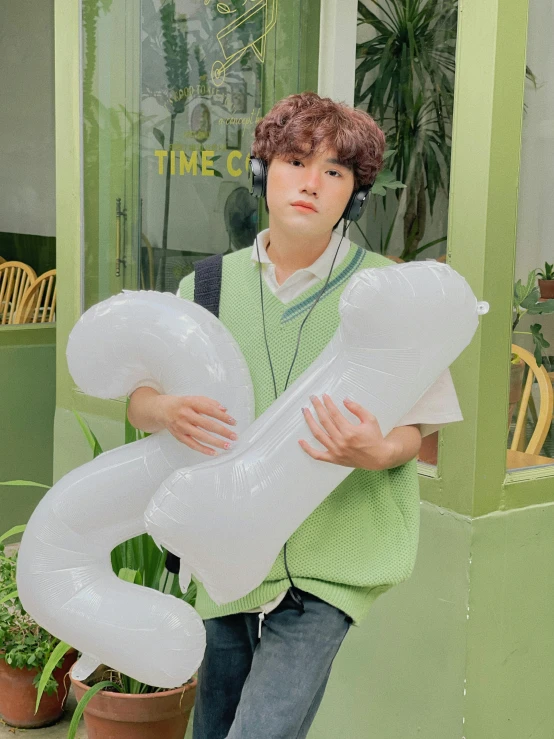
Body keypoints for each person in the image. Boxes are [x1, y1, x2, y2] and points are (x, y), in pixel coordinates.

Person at [127, 92, 463, 739]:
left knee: (260, 730)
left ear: (355, 195)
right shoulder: (204, 287)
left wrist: (375, 450)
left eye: (335, 171)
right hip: (224, 553)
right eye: (295, 160)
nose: (312, 182)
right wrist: (167, 407)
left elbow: (419, 433)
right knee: (213, 727)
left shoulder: (389, 291)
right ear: (263, 170)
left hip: (329, 561)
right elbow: (141, 399)